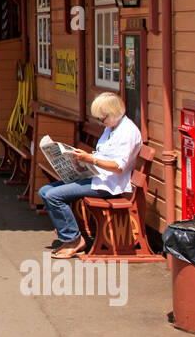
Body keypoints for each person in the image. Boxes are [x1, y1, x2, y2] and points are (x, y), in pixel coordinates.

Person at [38, 92, 143, 258]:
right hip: (96, 177)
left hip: (109, 184)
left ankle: (73, 240)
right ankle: (69, 234)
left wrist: (90, 159)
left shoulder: (127, 132)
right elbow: (102, 155)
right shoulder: (112, 127)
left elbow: (118, 167)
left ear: (113, 112)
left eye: (102, 118)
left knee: (53, 196)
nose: (102, 123)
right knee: (44, 191)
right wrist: (81, 161)